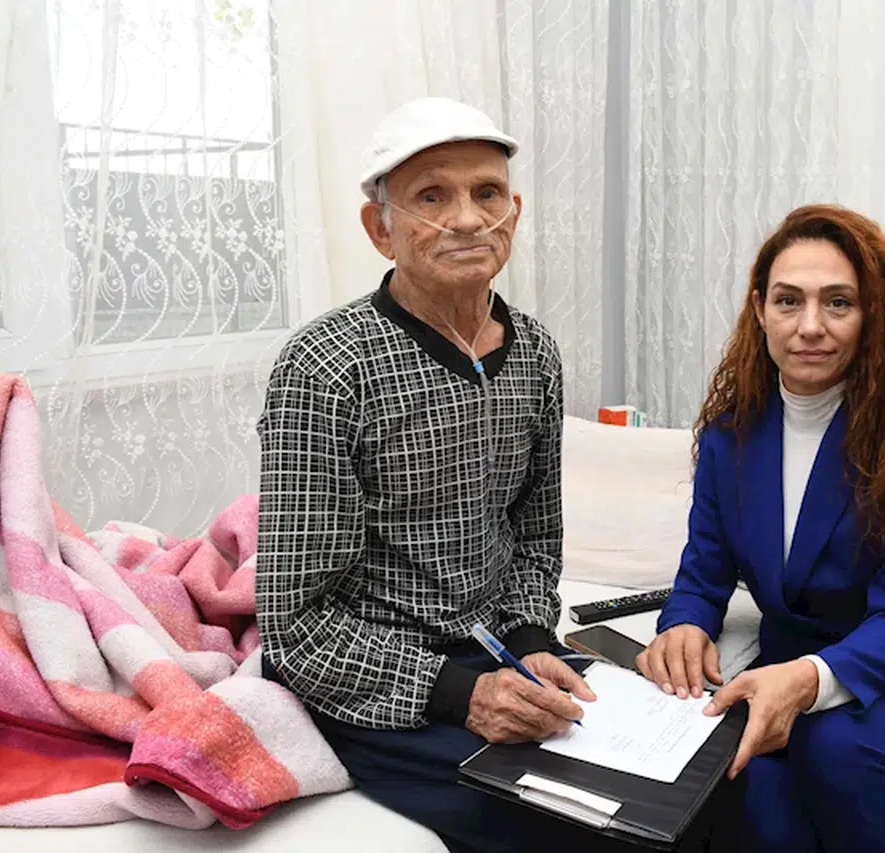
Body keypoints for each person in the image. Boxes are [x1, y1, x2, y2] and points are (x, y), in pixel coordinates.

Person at [253, 98, 638, 853]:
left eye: (487, 193)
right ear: (380, 229)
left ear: (514, 213)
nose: (467, 219)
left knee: (694, 775)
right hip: (375, 674)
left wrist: (532, 636)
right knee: (575, 824)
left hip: (499, 647)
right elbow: (296, 624)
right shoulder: (324, 368)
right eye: (431, 197)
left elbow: (535, 535)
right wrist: (464, 694)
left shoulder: (535, 352)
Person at [637, 205, 885, 852]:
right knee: (748, 782)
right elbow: (704, 571)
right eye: (788, 300)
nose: (810, 325)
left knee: (832, 740)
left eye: (837, 302)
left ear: (871, 314)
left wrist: (809, 680)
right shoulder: (732, 434)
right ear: (760, 310)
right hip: (779, 663)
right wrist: (684, 623)